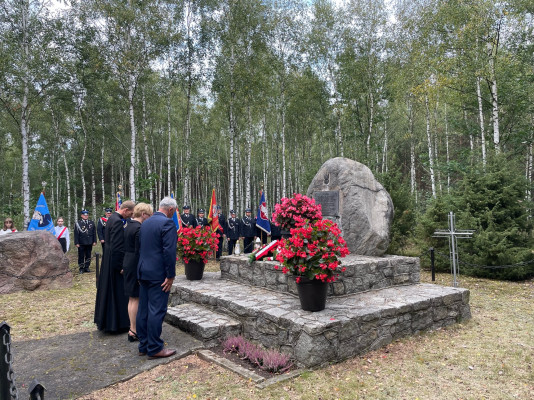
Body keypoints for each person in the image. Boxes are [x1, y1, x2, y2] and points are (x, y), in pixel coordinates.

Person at [136, 197, 178, 359]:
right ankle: (154, 348)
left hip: (144, 271)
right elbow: (169, 252)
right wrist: (170, 275)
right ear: (171, 210)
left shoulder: (145, 222)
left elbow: (141, 248)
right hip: (158, 274)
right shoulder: (167, 223)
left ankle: (144, 345)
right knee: (156, 310)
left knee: (144, 309)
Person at [94, 200, 135, 333]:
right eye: (131, 213)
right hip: (114, 262)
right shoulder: (117, 221)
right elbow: (118, 247)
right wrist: (120, 266)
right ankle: (117, 323)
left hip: (108, 259)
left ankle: (109, 322)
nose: (131, 216)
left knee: (109, 291)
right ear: (126, 210)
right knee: (115, 292)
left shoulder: (111, 218)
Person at [123, 202, 153, 343]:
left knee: (131, 298)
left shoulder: (128, 226)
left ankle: (132, 327)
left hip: (128, 261)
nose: (150, 218)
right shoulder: (139, 228)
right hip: (135, 263)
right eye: (149, 215)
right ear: (143, 214)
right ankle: (134, 330)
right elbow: (139, 250)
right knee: (135, 297)